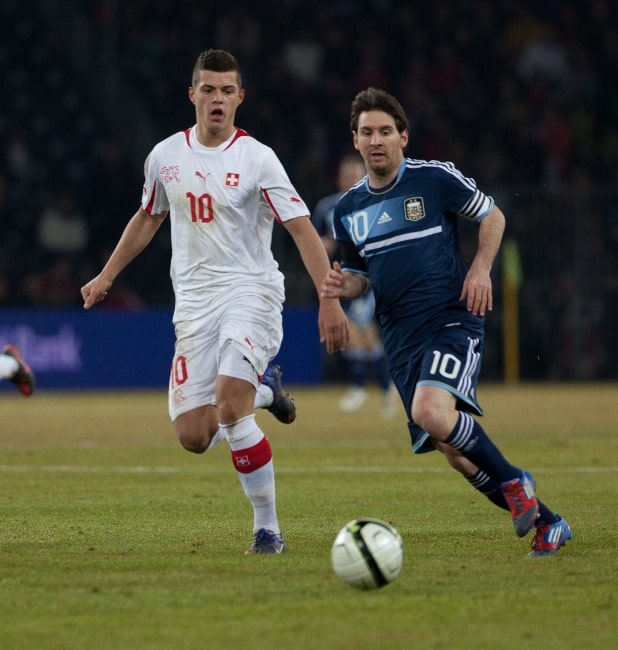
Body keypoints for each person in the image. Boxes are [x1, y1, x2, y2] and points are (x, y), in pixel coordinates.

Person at [81, 49, 348, 555]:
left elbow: (300, 229)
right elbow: (148, 217)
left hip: (251, 293)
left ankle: (267, 529)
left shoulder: (258, 159)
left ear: (240, 98)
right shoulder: (164, 157)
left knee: (228, 407)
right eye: (209, 89)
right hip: (195, 307)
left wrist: (327, 299)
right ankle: (266, 391)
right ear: (193, 95)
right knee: (195, 434)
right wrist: (107, 275)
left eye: (227, 91)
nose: (218, 99)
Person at [321, 87, 571, 556]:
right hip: (399, 338)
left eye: (385, 131)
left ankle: (517, 481)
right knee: (455, 453)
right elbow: (358, 278)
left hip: (449, 319)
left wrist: (479, 269)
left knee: (430, 413)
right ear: (355, 140)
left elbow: (492, 215)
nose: (377, 140)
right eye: (367, 132)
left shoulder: (433, 179)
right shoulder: (348, 210)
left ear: (403, 137)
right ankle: (548, 523)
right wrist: (341, 287)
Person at [312, 154, 396, 417]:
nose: (350, 178)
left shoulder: (374, 202)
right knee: (360, 334)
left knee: (361, 331)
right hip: (337, 278)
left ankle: (362, 386)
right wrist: (324, 246)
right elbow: (316, 241)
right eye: (346, 173)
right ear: (339, 177)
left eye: (355, 173)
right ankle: (384, 387)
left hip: (364, 278)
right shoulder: (327, 207)